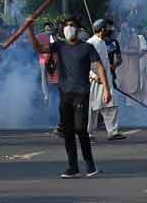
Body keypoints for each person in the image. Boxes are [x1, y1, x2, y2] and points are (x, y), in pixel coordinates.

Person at [28, 16, 111, 178]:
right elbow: (38, 48)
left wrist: (106, 89)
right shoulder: (59, 46)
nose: (68, 28)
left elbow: (99, 67)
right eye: (66, 25)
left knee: (80, 129)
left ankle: (90, 165)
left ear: (78, 29)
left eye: (72, 25)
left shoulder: (87, 48)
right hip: (65, 94)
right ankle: (72, 167)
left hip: (81, 93)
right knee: (67, 131)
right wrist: (30, 29)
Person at [87, 20, 126, 141]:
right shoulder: (91, 43)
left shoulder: (103, 42)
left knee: (111, 105)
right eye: (107, 28)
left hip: (106, 80)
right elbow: (87, 63)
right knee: (91, 108)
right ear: (102, 29)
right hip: (94, 80)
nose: (110, 30)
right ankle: (88, 134)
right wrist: (94, 76)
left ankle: (112, 131)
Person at [117, 22, 147, 107]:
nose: (124, 30)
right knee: (122, 88)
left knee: (134, 88)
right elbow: (118, 49)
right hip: (122, 67)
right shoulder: (120, 37)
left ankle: (134, 108)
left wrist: (127, 52)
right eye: (123, 29)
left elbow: (139, 51)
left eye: (126, 28)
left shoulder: (135, 37)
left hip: (133, 66)